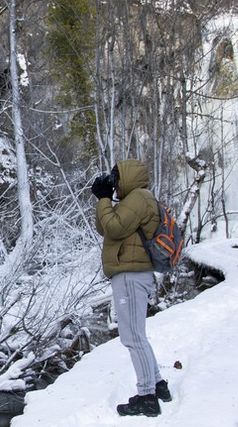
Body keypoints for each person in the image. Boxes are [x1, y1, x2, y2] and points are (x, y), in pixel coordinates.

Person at [90, 159, 172, 417]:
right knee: (137, 335)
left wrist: (105, 198)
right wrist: (104, 199)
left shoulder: (138, 197)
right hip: (130, 274)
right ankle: (158, 385)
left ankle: (147, 397)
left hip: (131, 275)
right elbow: (105, 227)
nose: (114, 183)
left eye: (116, 178)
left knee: (132, 337)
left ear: (126, 177)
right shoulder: (134, 200)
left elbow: (113, 227)